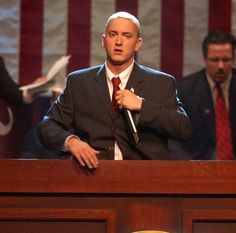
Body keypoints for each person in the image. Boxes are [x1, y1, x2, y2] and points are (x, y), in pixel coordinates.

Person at [37, 11, 192, 169]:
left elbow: (183, 128)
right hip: (93, 176)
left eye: (126, 36)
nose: (119, 42)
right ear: (104, 41)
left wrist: (141, 105)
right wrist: (71, 141)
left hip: (146, 178)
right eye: (113, 35)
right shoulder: (79, 82)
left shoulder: (161, 82)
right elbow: (47, 126)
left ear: (138, 43)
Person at [169, 30, 236, 160]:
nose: (221, 66)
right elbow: (173, 139)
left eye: (226, 60)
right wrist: (191, 168)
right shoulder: (185, 90)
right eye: (215, 60)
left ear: (233, 59)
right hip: (198, 168)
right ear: (205, 59)